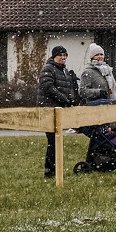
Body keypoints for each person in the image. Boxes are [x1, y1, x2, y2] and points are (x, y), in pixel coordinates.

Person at [36, 46, 78, 178]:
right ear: (54, 56)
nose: (63, 57)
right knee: (53, 141)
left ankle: (54, 169)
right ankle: (50, 170)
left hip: (59, 110)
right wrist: (64, 99)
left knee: (56, 141)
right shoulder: (48, 69)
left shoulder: (64, 71)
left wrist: (71, 99)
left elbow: (69, 87)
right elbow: (48, 87)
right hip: (49, 110)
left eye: (65, 55)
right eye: (60, 55)